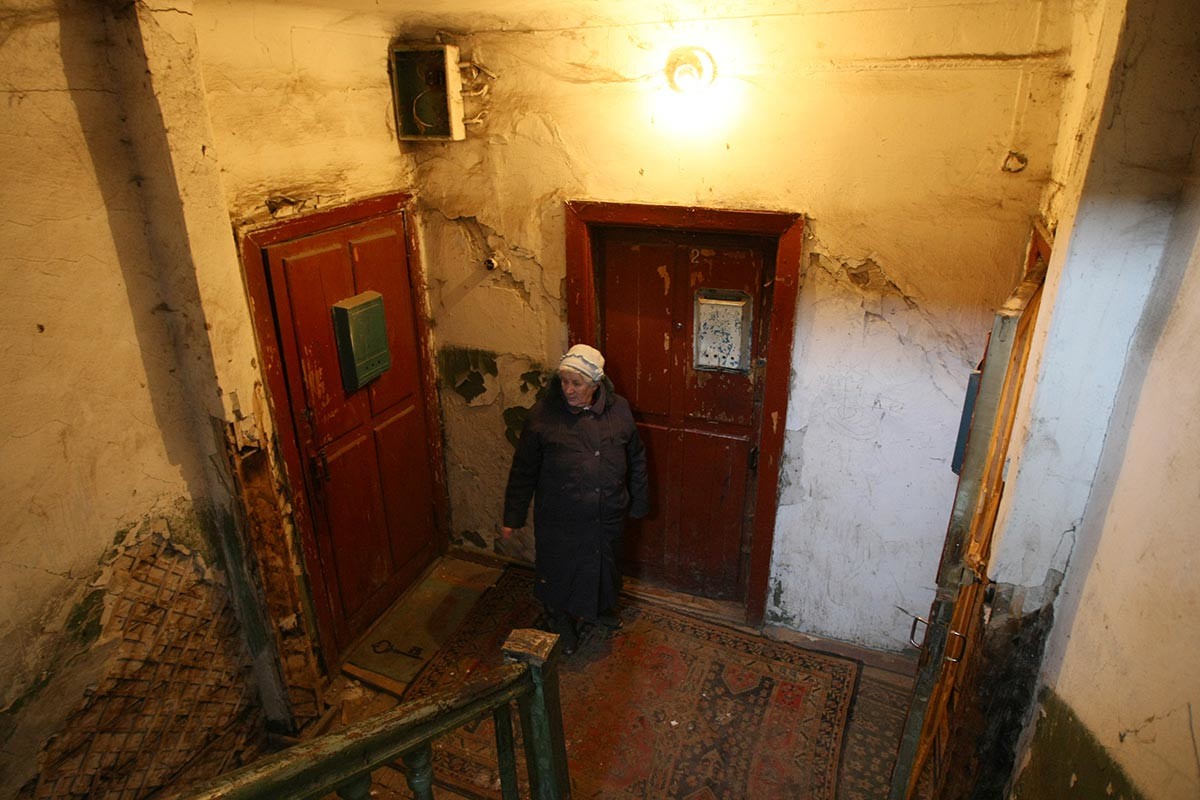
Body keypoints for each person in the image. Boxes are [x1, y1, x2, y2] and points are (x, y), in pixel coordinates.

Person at [501, 344, 649, 654]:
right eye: (563, 381)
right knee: (559, 570)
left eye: (576, 383)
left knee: (604, 565)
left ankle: (602, 610)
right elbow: (523, 470)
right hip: (559, 517)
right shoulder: (542, 416)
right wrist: (512, 518)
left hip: (606, 512)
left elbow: (636, 457)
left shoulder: (619, 410)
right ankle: (560, 621)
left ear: (595, 384)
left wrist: (639, 502)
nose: (568, 390)